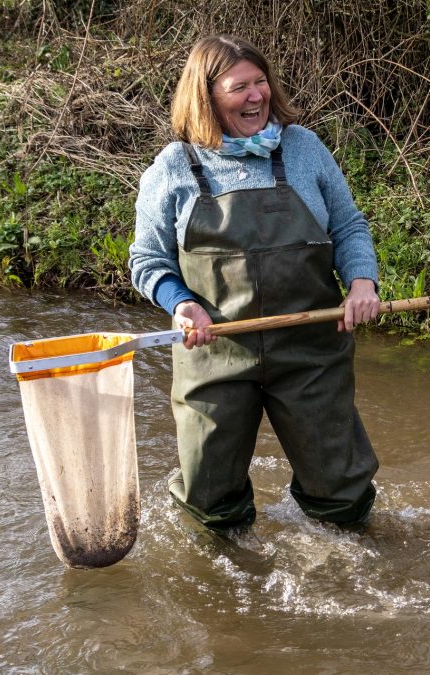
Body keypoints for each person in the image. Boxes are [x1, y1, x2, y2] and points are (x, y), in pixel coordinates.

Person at [129, 34, 381, 533]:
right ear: (207, 97)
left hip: (311, 350)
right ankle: (226, 582)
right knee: (208, 493)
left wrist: (361, 282)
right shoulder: (173, 168)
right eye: (238, 86)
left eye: (260, 82)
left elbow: (349, 226)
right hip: (214, 355)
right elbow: (147, 260)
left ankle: (352, 555)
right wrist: (180, 304)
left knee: (340, 485)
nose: (255, 96)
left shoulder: (304, 148)